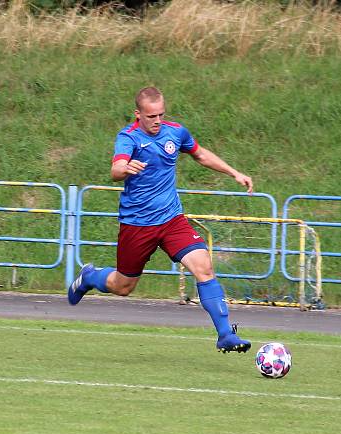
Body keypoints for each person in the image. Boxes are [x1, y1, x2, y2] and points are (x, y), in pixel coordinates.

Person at [67, 86, 253, 353]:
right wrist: (124, 168)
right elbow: (115, 168)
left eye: (161, 115)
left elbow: (199, 154)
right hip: (137, 225)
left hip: (171, 220)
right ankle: (90, 277)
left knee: (204, 267)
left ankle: (225, 334)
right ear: (138, 114)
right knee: (123, 286)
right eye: (151, 116)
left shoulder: (175, 132)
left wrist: (234, 173)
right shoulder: (128, 138)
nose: (157, 121)